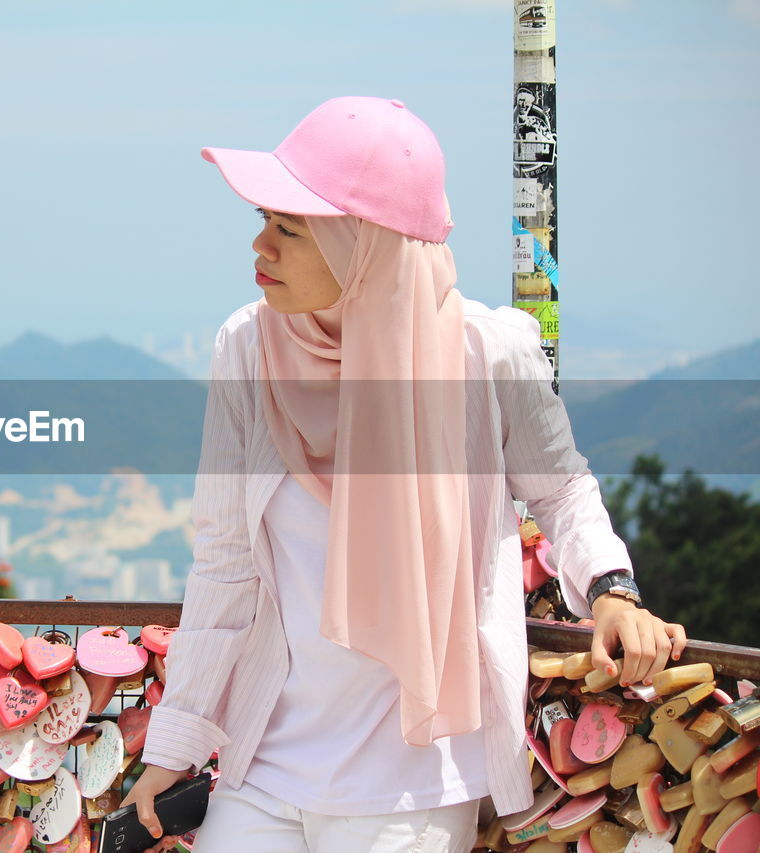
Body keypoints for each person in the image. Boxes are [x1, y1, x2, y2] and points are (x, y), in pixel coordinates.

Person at [118, 96, 687, 853]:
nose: (260, 244)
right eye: (264, 218)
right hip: (264, 765)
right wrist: (172, 750)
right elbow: (224, 564)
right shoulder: (247, 352)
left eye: (290, 228)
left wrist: (614, 593)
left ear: (366, 243)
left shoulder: (488, 355)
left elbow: (561, 488)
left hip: (413, 784)